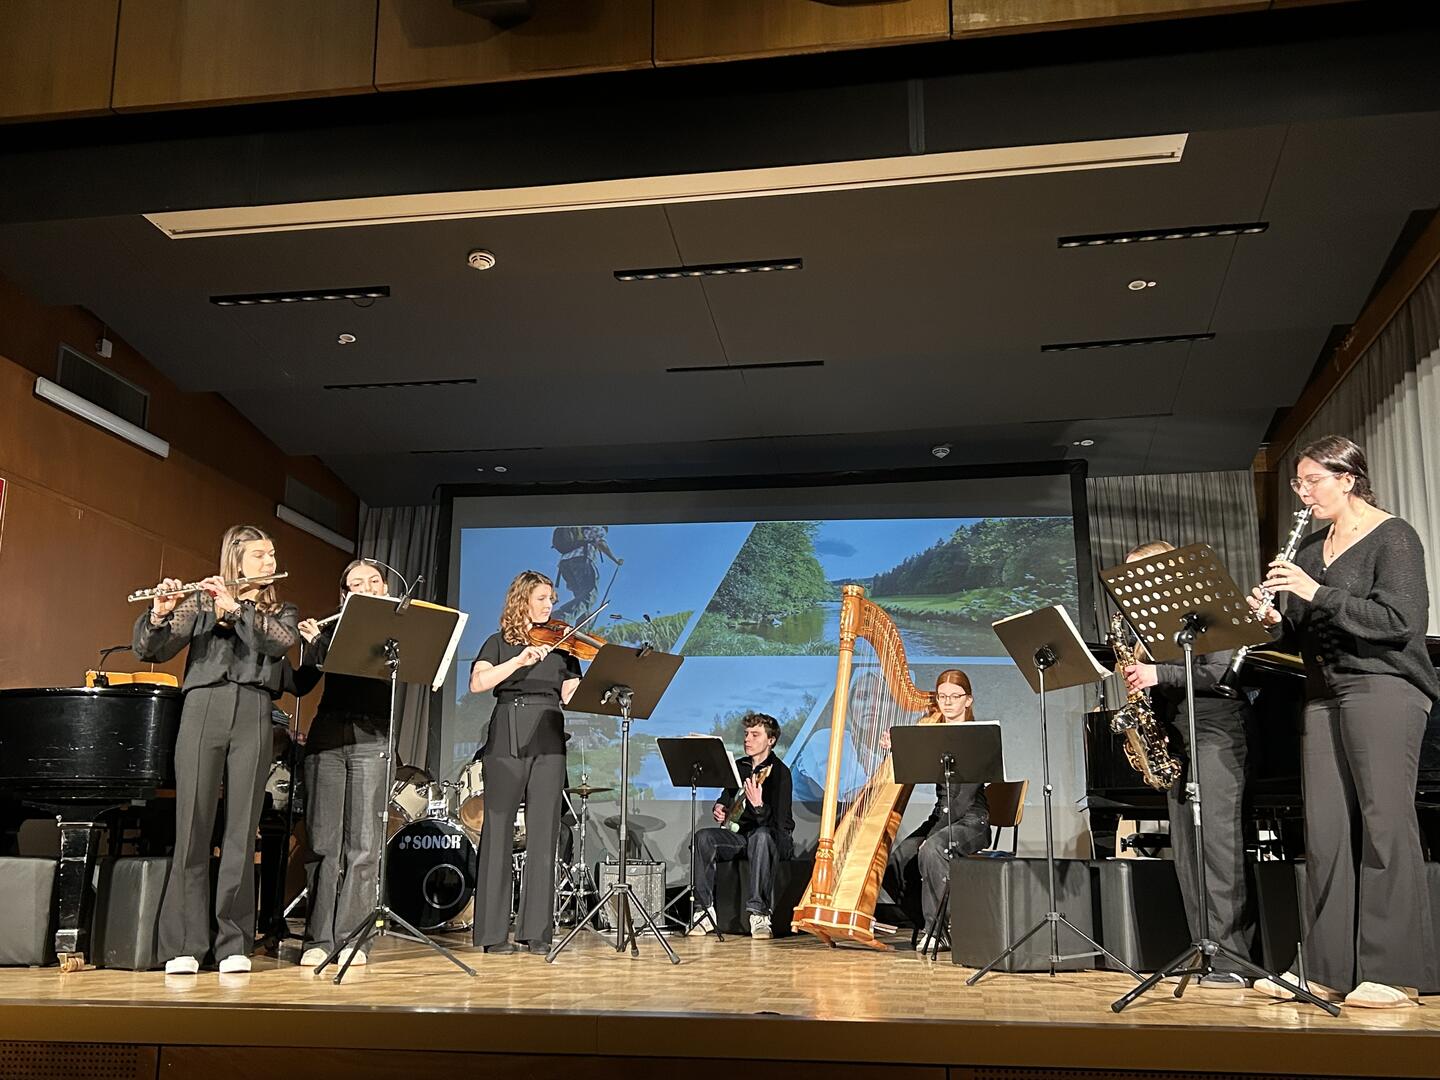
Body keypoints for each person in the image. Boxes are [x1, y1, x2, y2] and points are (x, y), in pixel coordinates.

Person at [1250, 435, 1439, 1009]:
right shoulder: (1311, 547)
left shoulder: (1393, 536)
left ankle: (1394, 971)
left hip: (1385, 687)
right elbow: (1298, 628)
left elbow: (1400, 621)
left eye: (1312, 481)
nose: (1303, 493)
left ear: (1348, 478)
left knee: (1385, 824)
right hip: (1323, 692)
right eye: (1298, 483)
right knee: (1326, 832)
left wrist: (1316, 592)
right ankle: (1324, 968)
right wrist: (1271, 618)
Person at [132, 525, 298, 976]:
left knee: (242, 830)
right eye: (260, 555)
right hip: (203, 706)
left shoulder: (279, 610)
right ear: (236, 560)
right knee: (193, 825)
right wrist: (160, 613)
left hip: (254, 710)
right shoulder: (202, 602)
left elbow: (279, 642)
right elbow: (152, 649)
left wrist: (238, 608)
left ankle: (233, 942)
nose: (269, 562)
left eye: (271, 554)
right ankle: (184, 944)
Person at [1120, 541, 1258, 988]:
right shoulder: (1152, 624)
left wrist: (1157, 674)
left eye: (1141, 576)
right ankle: (1204, 949)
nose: (1134, 587)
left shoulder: (1211, 607)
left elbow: (1220, 672)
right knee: (1187, 852)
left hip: (1216, 729)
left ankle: (1233, 959)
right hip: (1177, 732)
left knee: (1218, 847)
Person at [468, 570, 581, 954]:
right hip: (507, 732)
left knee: (545, 832)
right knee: (497, 829)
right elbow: (478, 683)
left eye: (551, 599)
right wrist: (518, 661)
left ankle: (536, 932)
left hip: (549, 732)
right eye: (542, 599)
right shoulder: (499, 642)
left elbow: (570, 694)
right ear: (523, 601)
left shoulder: (564, 645)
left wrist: (595, 678)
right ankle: (492, 934)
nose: (549, 606)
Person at [292, 559, 392, 970]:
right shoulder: (329, 629)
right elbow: (301, 685)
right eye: (356, 584)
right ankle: (317, 938)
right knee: (322, 843)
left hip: (373, 737)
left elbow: (369, 674)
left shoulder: (396, 631)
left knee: (363, 846)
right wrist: (312, 644)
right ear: (344, 594)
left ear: (385, 589)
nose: (365, 587)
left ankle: (354, 939)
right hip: (328, 736)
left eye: (373, 581)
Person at [883, 670, 990, 950]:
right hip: (941, 817)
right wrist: (898, 750)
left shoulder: (977, 738)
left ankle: (938, 930)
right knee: (896, 862)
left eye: (955, 696)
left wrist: (933, 836)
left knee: (932, 849)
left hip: (971, 820)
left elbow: (963, 801)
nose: (948, 702)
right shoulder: (934, 735)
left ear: (968, 700)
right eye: (942, 697)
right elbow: (911, 772)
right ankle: (935, 922)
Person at [689, 712, 794, 938]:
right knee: (704, 838)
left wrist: (758, 806)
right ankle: (704, 912)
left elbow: (777, 824)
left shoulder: (780, 773)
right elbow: (726, 799)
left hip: (775, 838)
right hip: (741, 837)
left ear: (771, 740)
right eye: (746, 734)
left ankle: (759, 914)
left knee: (761, 836)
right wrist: (720, 808)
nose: (747, 739)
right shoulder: (739, 767)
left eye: (755, 735)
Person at [552, 525, 622, 624]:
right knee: (589, 596)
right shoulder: (595, 526)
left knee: (581, 597)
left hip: (565, 565)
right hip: (582, 560)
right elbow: (600, 542)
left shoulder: (577, 528)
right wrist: (616, 560)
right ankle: (559, 617)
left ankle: (582, 629)